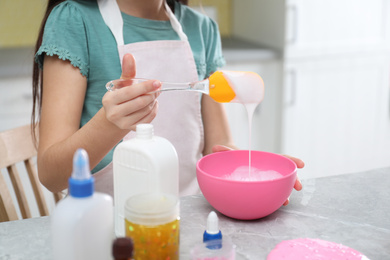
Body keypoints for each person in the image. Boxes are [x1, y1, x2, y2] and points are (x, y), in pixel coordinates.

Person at [32, 0, 304, 201]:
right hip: (106, 228)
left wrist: (254, 172)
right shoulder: (75, 20)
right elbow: (51, 175)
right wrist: (111, 124)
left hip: (189, 219)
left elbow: (217, 149)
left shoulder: (202, 29)